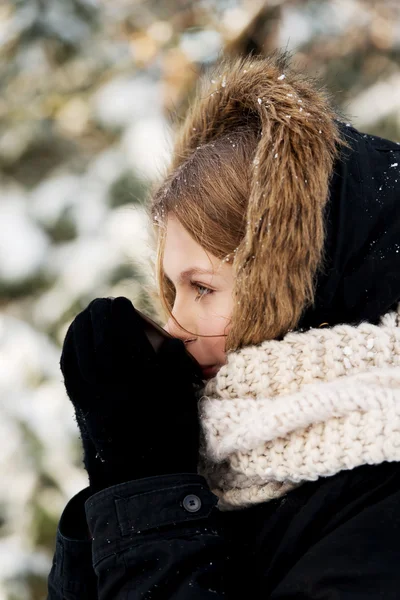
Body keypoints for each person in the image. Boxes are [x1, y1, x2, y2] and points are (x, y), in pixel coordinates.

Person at [47, 52, 400, 599]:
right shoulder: (231, 467)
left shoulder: (381, 502)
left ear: (312, 281)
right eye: (171, 289)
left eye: (203, 287)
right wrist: (120, 476)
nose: (176, 324)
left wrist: (145, 488)